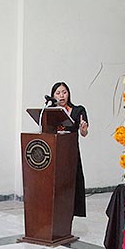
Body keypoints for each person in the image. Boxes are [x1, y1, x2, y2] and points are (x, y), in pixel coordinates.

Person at [50, 81, 89, 217]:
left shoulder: (78, 110)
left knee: (72, 184)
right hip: (54, 153)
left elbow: (84, 133)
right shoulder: (50, 111)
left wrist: (83, 129)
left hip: (71, 153)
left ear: (69, 94)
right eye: (58, 93)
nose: (62, 95)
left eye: (64, 92)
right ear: (53, 95)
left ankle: (69, 215)